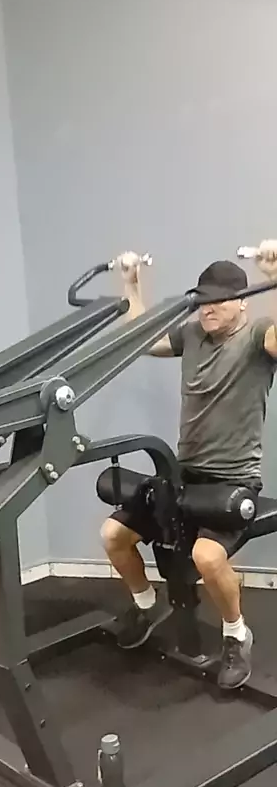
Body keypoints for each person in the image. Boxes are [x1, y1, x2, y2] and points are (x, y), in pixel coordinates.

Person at [101, 241, 277, 689]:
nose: (207, 308)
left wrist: (274, 275)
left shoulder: (257, 336)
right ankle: (146, 605)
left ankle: (236, 633)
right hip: (184, 476)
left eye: (219, 300)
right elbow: (142, 339)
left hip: (233, 480)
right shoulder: (193, 334)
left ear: (243, 302)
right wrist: (132, 283)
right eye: (202, 300)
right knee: (114, 535)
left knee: (205, 556)